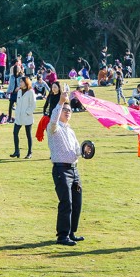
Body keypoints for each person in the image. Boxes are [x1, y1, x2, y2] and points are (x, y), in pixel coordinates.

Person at [46, 87, 85, 246]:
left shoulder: (70, 130)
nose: (67, 112)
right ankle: (62, 236)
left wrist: (85, 150)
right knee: (66, 202)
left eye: (69, 110)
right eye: (65, 110)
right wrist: (61, 102)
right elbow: (54, 119)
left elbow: (76, 150)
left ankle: (71, 232)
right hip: (61, 169)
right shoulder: (53, 128)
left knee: (77, 201)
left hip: (73, 169)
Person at [11, 76, 36, 159]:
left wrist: (27, 112)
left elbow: (33, 105)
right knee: (15, 133)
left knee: (28, 135)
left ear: (26, 82)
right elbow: (18, 103)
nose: (20, 83)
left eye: (22, 81)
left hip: (27, 116)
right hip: (18, 116)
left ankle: (29, 152)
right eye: (20, 82)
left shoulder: (31, 92)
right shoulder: (19, 91)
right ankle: (17, 151)